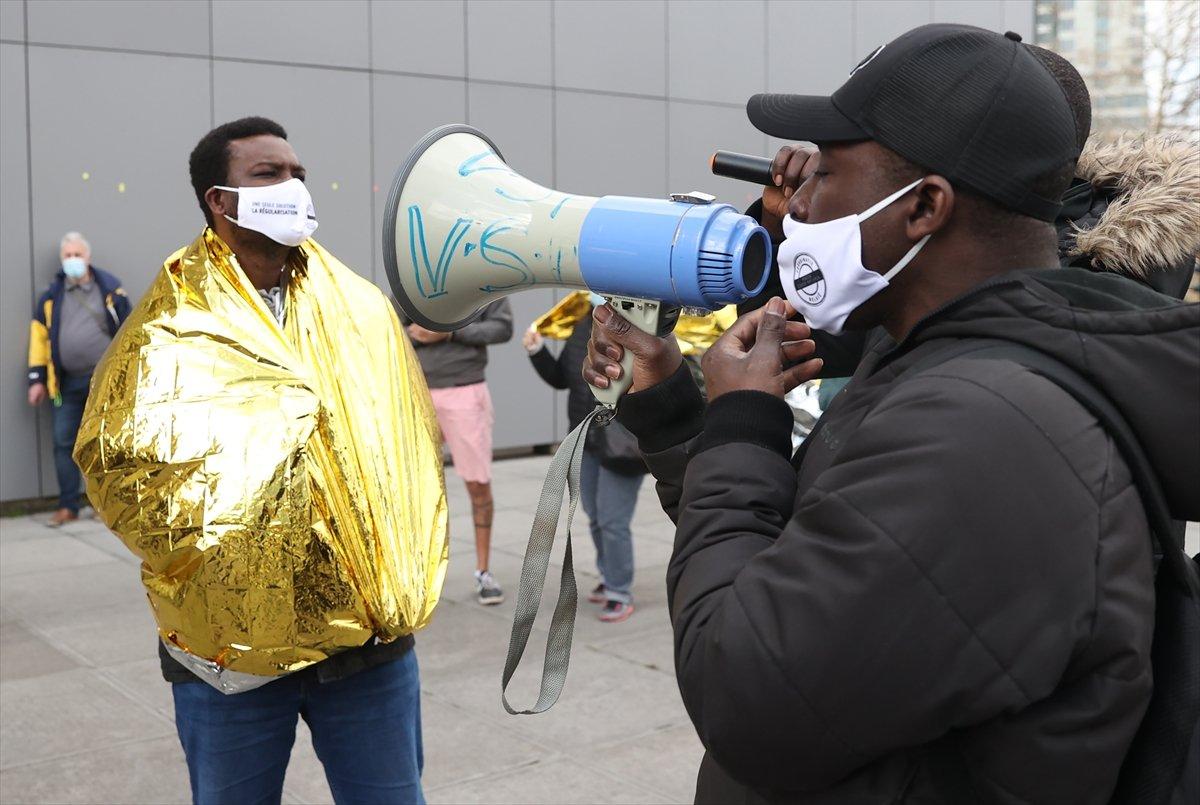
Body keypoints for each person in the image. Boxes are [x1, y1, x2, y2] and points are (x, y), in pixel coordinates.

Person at [583, 24, 1198, 803]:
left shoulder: (981, 433)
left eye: (827, 173)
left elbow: (742, 690)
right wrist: (679, 412)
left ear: (924, 209)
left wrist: (743, 423)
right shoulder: (932, 363)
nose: (795, 203)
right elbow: (792, 566)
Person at [74, 117, 446, 805]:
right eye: (269, 174)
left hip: (366, 645)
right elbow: (112, 462)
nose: (293, 185)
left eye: (297, 172)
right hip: (229, 657)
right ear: (220, 199)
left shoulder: (359, 308)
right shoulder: (168, 323)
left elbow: (409, 438)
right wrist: (219, 558)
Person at [523, 294, 644, 622]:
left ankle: (620, 589)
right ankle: (610, 577)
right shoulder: (581, 327)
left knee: (612, 519)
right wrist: (536, 351)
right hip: (586, 438)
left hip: (623, 442)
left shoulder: (639, 330)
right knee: (593, 513)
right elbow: (563, 378)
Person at [405, 299, 513, 606]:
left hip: (465, 389)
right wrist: (415, 334)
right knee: (417, 489)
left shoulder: (484, 278)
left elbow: (502, 328)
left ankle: (483, 572)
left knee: (478, 485)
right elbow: (389, 325)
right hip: (417, 389)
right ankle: (419, 574)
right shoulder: (415, 279)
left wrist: (450, 333)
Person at [27, 232, 130, 526]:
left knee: (103, 444)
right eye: (67, 256)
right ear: (62, 260)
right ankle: (68, 506)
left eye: (77, 254)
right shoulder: (51, 296)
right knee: (63, 442)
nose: (73, 260)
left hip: (104, 383)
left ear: (88, 257)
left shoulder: (110, 290)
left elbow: (129, 330)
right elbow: (39, 338)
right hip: (65, 383)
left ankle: (105, 507)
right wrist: (36, 379)